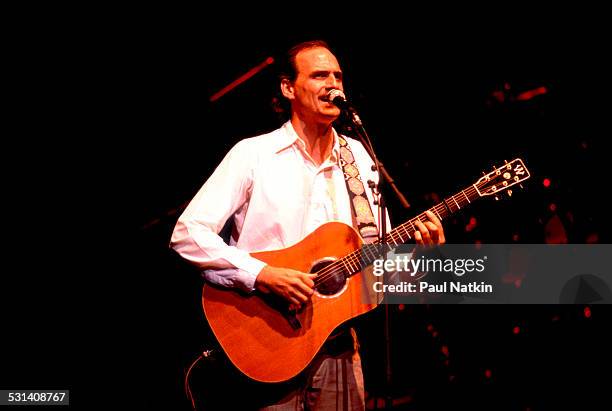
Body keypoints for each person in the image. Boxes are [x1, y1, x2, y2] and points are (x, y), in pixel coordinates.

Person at [170, 40, 445, 410]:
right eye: (319, 75)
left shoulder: (358, 157)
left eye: (338, 75)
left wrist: (418, 255)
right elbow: (188, 233)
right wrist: (263, 274)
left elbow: (375, 265)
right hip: (266, 346)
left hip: (339, 348)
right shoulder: (253, 155)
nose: (333, 84)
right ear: (288, 88)